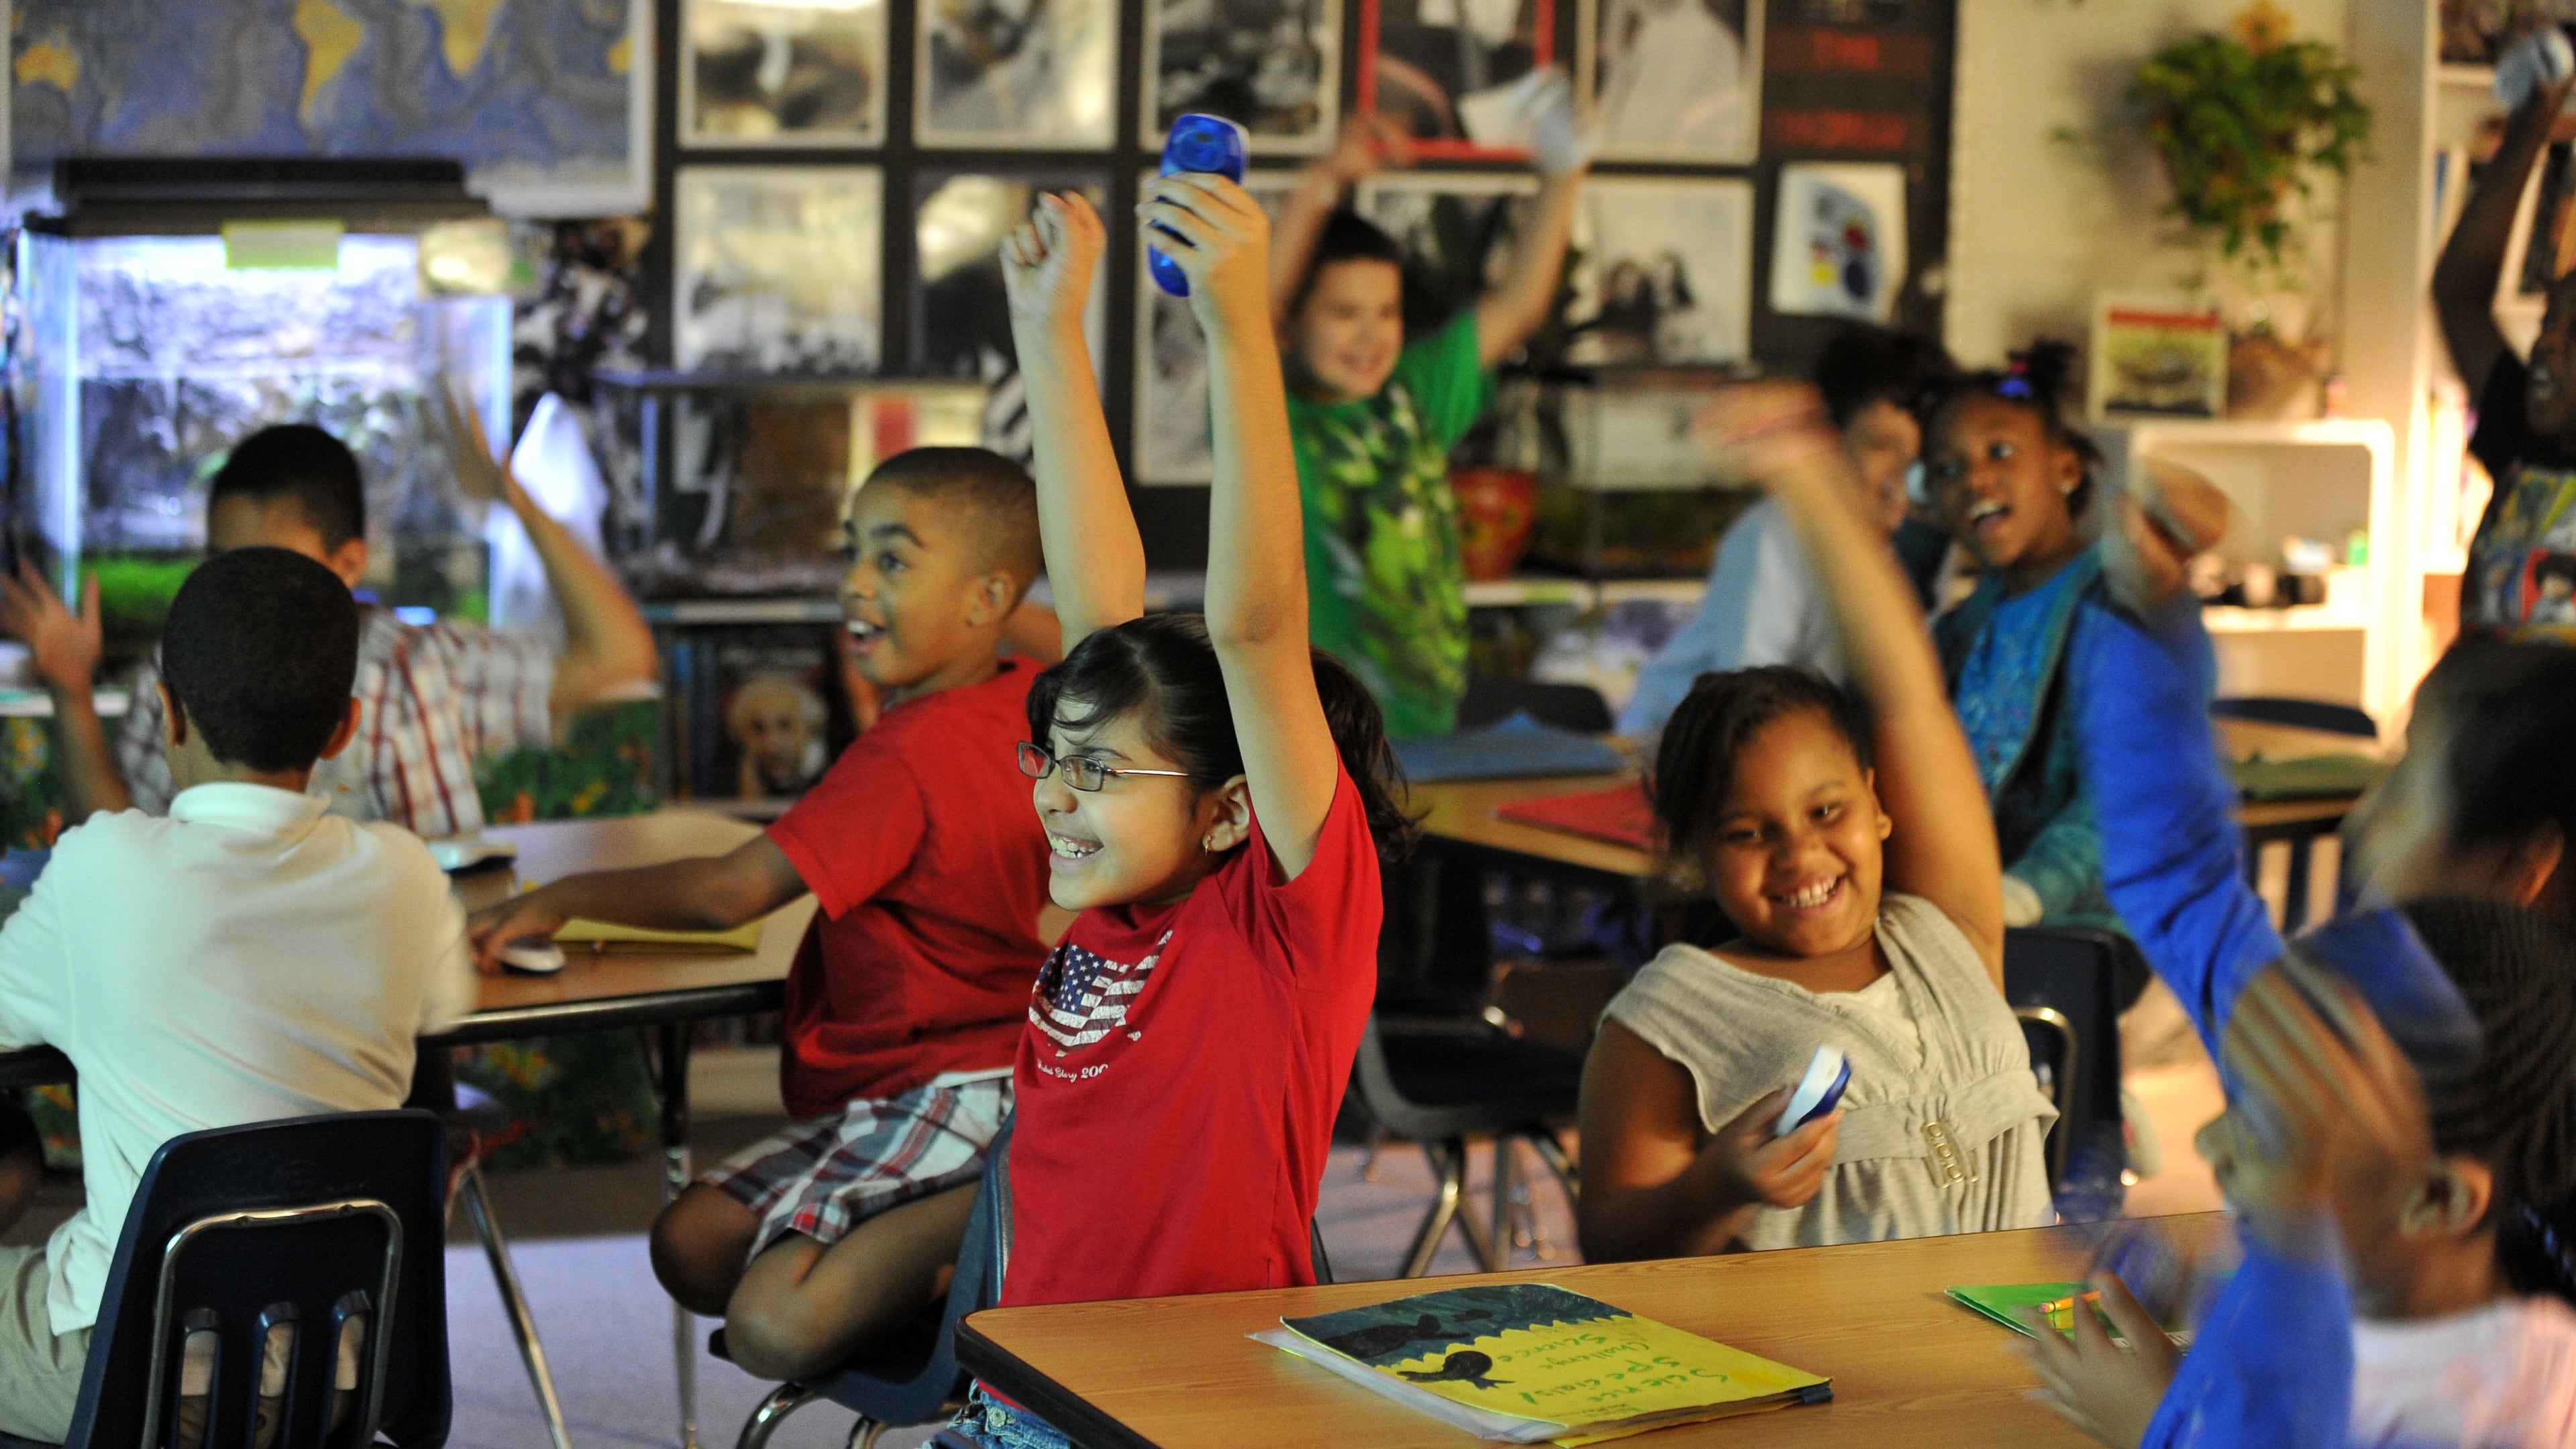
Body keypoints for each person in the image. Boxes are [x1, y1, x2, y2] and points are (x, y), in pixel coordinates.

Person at [951, 175, 1410, 1449]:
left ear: (1226, 813)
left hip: (1192, 1419)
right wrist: (1049, 327)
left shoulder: (1278, 925)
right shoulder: (1122, 904)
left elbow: (1256, 628)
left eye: (1095, 772)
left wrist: (1237, 324)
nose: (1054, 792)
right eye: (1054, 756)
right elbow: (1109, 615)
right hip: (1028, 1400)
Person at [464, 447, 1060, 1383]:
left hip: (954, 1089)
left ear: (986, 599)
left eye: (894, 562)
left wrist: (561, 899)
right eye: (852, 552)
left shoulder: (906, 754)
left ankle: (989, 1218)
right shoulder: (1039, 687)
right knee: (692, 1241)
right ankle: (960, 1261)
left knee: (771, 1326)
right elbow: (1046, 609)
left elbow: (726, 894)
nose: (855, 584)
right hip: (979, 1083)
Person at [1574, 380, 2060, 1263]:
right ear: (1694, 855)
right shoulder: (1671, 1018)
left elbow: (1908, 693)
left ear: (1879, 807)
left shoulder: (1944, 934)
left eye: (1826, 811)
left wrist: (1807, 479)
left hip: (2015, 1369)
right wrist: (1712, 1188)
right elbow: (1610, 1241)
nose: (1801, 855)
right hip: (1836, 1388)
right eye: (1747, 831)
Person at [0, 548, 474, 1443]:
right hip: (347, 1367)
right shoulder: (411, 881)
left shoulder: (102, 869)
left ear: (166, 709)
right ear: (344, 730)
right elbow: (443, 1016)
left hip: (129, 1369)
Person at [0, 407, 661, 839]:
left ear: (348, 564)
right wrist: (71, 688)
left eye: (275, 566)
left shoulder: (419, 663)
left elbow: (622, 655)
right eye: (227, 565)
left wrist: (509, 495)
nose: (246, 592)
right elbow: (126, 843)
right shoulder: (183, 664)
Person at [1263, 93, 1591, 737]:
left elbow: (1520, 305)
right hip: (1318, 733)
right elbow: (1249, 315)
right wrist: (1324, 180)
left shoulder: (1412, 394)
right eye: (1343, 314)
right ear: (1291, 326)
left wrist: (1565, 169)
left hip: (1430, 727)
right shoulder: (1274, 419)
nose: (1370, 335)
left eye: (1385, 313)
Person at [1620, 325, 1956, 735]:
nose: (1903, 478)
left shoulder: (1922, 544)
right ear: (1828, 443)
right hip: (1676, 746)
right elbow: (1745, 699)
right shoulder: (1775, 535)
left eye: (1920, 457)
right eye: (1881, 445)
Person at [1921, 343, 2139, 939]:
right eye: (1946, 469)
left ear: (2066, 470)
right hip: (1956, 915)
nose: (1975, 479)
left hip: (2066, 924)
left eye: (2000, 451)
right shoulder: (1963, 627)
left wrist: (2019, 897)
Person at [2434, 52, 2576, 644]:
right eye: (2549, 321)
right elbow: (2460, 293)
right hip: (2475, 731)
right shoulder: (2525, 431)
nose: (2546, 346)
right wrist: (2533, 122)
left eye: (2575, 335)